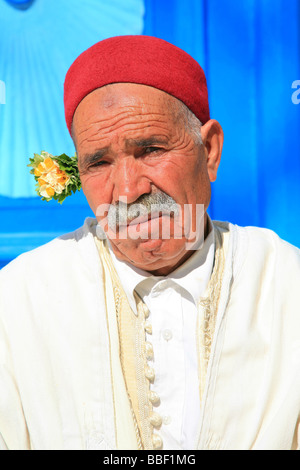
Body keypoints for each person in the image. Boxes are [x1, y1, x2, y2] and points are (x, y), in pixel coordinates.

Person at [0, 35, 299, 451]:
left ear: (208, 151)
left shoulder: (286, 287)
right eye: (99, 162)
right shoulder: (19, 302)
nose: (127, 191)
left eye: (151, 149)